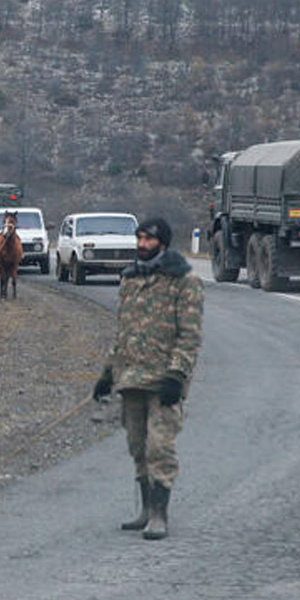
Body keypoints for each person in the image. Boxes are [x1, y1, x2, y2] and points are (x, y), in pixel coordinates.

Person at [92, 217, 203, 540]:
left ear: (163, 243)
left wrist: (177, 375)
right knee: (137, 446)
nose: (142, 244)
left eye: (149, 239)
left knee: (160, 446)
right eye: (139, 238)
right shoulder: (130, 279)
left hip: (164, 378)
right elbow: (123, 334)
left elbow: (190, 335)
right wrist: (107, 375)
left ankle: (159, 514)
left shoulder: (184, 281)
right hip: (131, 377)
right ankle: (144, 509)